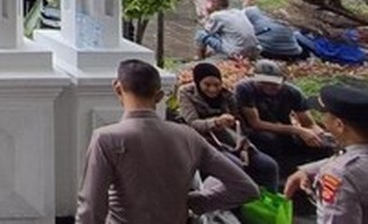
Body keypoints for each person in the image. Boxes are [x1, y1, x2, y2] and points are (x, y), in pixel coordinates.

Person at [76, 59, 259, 223]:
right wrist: (196, 201)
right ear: (160, 96)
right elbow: (246, 187)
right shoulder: (188, 136)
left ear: (117, 88)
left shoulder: (107, 139)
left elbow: (91, 208)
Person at [177, 62, 281, 190]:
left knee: (269, 165)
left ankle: (271, 202)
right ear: (198, 83)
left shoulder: (227, 96)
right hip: (205, 142)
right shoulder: (187, 94)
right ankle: (232, 201)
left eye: (216, 85)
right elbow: (193, 123)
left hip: (231, 140)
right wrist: (216, 122)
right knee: (235, 166)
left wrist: (243, 145)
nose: (213, 89)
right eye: (207, 85)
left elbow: (239, 124)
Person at [283, 84, 368, 222]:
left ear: (339, 125)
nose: (322, 120)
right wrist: (309, 170)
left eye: (324, 114)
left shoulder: (340, 174)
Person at [236, 59, 335, 170]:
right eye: (264, 83)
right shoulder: (245, 89)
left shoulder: (292, 92)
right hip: (256, 131)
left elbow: (308, 123)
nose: (269, 87)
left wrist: (319, 136)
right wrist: (297, 130)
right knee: (269, 139)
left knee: (322, 144)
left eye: (274, 84)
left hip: (284, 128)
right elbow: (256, 123)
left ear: (283, 80)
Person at [196, 0, 260, 60]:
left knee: (200, 34)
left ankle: (200, 59)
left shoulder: (217, 15)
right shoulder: (237, 12)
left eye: (212, 5)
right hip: (254, 49)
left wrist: (208, 16)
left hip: (236, 52)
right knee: (224, 33)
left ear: (218, 7)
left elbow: (207, 31)